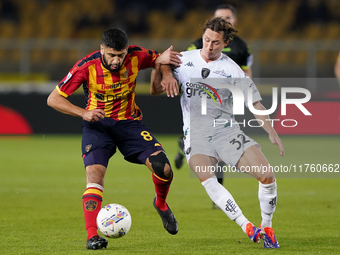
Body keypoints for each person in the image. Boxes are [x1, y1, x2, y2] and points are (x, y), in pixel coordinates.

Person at [151, 17, 284, 249]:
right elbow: (163, 63)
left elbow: (255, 104)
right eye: (206, 40)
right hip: (196, 136)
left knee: (267, 176)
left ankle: (267, 227)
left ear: (225, 43)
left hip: (226, 132)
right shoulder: (185, 59)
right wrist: (168, 74)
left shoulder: (231, 69)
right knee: (207, 176)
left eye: (215, 42)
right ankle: (246, 226)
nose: (209, 46)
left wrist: (271, 130)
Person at [47, 28, 182, 250]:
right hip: (97, 126)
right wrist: (83, 113)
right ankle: (92, 236)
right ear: (102, 49)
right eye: (111, 55)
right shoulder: (86, 66)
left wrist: (166, 74)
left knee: (163, 168)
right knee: (94, 175)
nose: (117, 60)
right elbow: (54, 99)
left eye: (121, 55)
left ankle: (161, 204)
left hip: (129, 123)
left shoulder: (137, 55)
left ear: (126, 51)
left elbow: (162, 58)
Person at [174, 4, 253, 203]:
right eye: (221, 17)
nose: (225, 20)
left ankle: (217, 191)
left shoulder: (242, 47)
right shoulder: (196, 46)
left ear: (234, 22)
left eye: (228, 18)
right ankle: (187, 147)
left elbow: (245, 73)